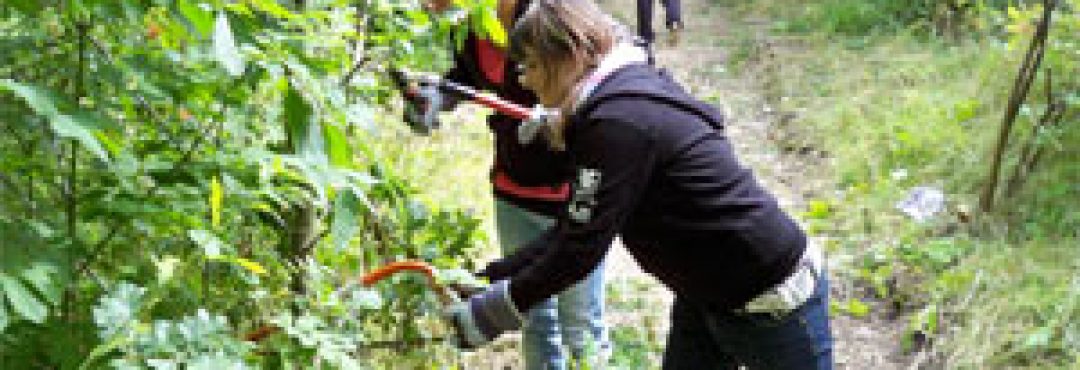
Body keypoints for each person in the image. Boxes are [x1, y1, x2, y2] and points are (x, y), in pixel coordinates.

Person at [446, 1, 834, 369]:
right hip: (704, 294)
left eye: (531, 65)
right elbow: (575, 228)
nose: (524, 79)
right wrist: (492, 279)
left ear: (573, 55)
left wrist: (495, 310)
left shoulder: (617, 123)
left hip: (769, 297)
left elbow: (579, 251)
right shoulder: (609, 101)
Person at [408, 0, 610, 368]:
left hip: (576, 194)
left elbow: (603, 72)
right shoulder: (472, 23)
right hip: (515, 188)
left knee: (581, 328)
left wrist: (569, 114)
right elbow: (468, 77)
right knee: (533, 317)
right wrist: (438, 98)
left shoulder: (552, 14)